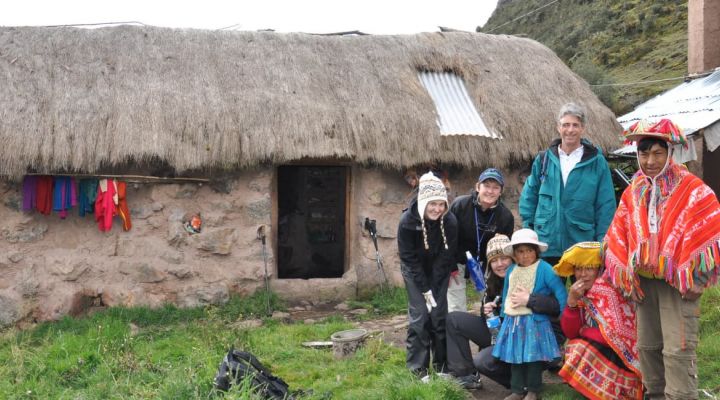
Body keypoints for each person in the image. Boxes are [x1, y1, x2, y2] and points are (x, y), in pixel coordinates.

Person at [604, 119, 720, 400]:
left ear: (670, 154)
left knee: (677, 351)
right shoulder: (633, 192)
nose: (650, 161)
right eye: (644, 154)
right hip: (644, 286)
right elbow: (618, 234)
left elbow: (712, 232)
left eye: (657, 153)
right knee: (648, 348)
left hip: (678, 288)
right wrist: (627, 277)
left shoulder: (694, 190)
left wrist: (700, 279)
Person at [519, 102, 616, 266]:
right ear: (558, 127)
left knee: (584, 291)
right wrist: (529, 232)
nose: (570, 130)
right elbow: (529, 197)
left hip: (582, 244)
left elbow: (606, 205)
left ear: (582, 128)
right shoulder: (544, 160)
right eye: (566, 125)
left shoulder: (597, 162)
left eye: (575, 125)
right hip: (547, 244)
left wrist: (601, 241)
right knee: (547, 292)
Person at [554, 242, 643, 400]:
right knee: (574, 346)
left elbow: (613, 338)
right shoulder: (581, 294)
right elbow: (570, 332)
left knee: (581, 347)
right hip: (603, 349)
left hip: (622, 356)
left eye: (589, 268)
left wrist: (584, 331)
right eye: (579, 269)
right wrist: (572, 303)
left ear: (600, 269)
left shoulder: (610, 291)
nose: (583, 274)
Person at [492, 229, 567, 400]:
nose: (525, 255)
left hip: (535, 322)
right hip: (513, 322)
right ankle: (517, 390)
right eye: (520, 251)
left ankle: (533, 390)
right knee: (515, 357)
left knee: (533, 357)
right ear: (515, 255)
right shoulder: (511, 270)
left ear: (536, 251)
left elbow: (560, 291)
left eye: (529, 250)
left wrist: (564, 314)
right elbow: (507, 293)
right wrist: (504, 316)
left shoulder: (545, 269)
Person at [398, 171, 459, 378]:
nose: (437, 209)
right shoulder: (407, 221)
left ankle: (442, 366)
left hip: (438, 272)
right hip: (414, 272)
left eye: (441, 204)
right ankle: (418, 370)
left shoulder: (450, 222)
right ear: (424, 202)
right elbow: (408, 258)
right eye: (432, 204)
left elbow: (446, 257)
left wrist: (433, 287)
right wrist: (424, 288)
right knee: (420, 317)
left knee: (438, 316)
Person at [448, 168, 515, 312]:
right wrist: (449, 265)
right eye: (487, 186)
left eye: (495, 187)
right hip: (457, 260)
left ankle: (492, 331)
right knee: (455, 306)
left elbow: (504, 251)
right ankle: (458, 332)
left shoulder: (505, 217)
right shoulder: (460, 205)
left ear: (500, 191)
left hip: (484, 264)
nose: (490, 191)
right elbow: (447, 237)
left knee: (490, 301)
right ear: (478, 187)